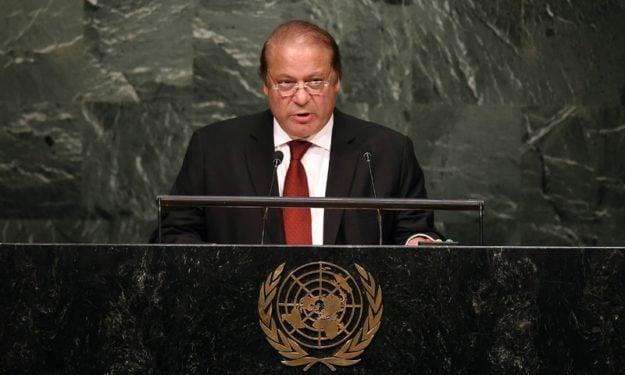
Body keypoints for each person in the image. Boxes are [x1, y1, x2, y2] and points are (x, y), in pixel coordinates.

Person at [154, 20, 441, 246]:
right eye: (286, 83)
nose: (301, 97)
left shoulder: (387, 151)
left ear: (337, 80)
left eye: (315, 81)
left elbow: (414, 232)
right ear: (265, 85)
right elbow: (174, 231)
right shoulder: (214, 148)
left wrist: (418, 245)